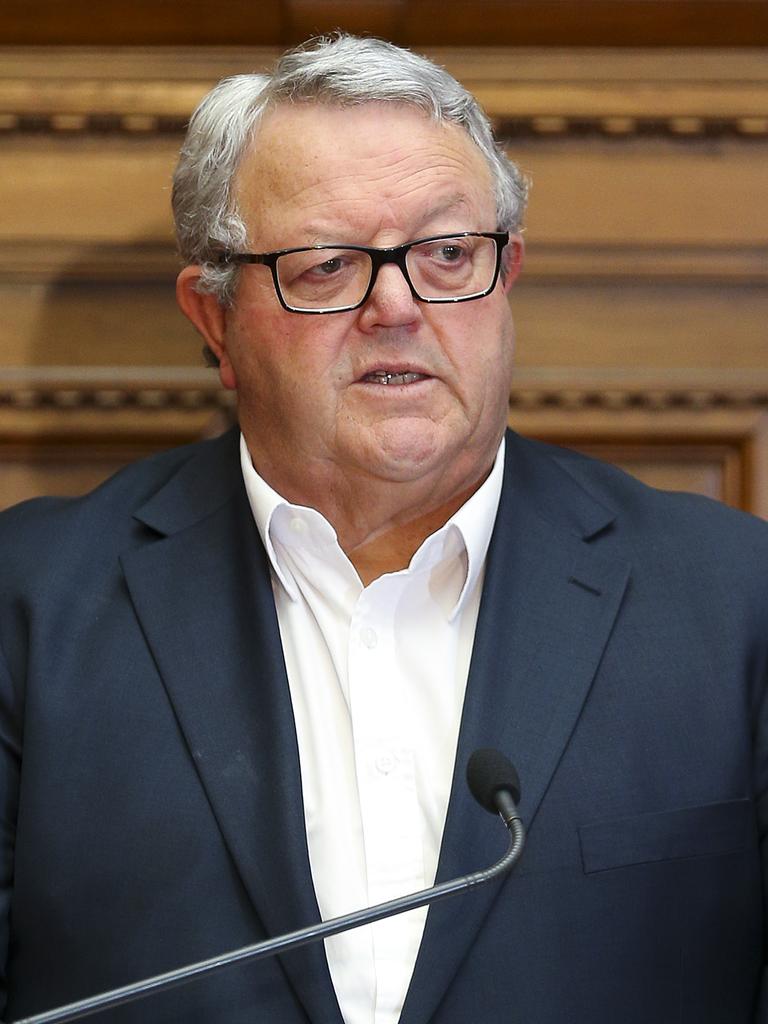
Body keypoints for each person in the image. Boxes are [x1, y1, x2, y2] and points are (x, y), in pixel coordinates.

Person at [0, 33, 765, 1024]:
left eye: (449, 254)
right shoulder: (30, 607)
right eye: (327, 265)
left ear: (509, 275)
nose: (398, 304)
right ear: (214, 320)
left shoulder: (734, 601)